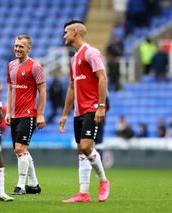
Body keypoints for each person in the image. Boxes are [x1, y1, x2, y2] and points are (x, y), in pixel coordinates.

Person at [59, 20, 110, 203]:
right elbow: (72, 88)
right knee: (81, 152)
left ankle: (104, 181)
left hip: (91, 109)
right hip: (78, 112)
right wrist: (64, 114)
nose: (63, 36)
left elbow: (102, 78)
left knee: (86, 147)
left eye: (66, 32)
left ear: (75, 32)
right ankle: (83, 193)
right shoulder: (73, 60)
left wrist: (101, 106)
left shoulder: (91, 52)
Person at [5, 35, 46, 195]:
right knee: (22, 150)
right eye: (16, 46)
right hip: (14, 114)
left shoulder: (35, 66)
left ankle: (21, 186)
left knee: (19, 148)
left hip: (28, 113)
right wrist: (8, 111)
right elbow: (10, 89)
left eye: (21, 46)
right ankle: (34, 185)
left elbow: (42, 91)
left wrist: (40, 114)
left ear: (29, 49)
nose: (17, 49)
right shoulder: (11, 65)